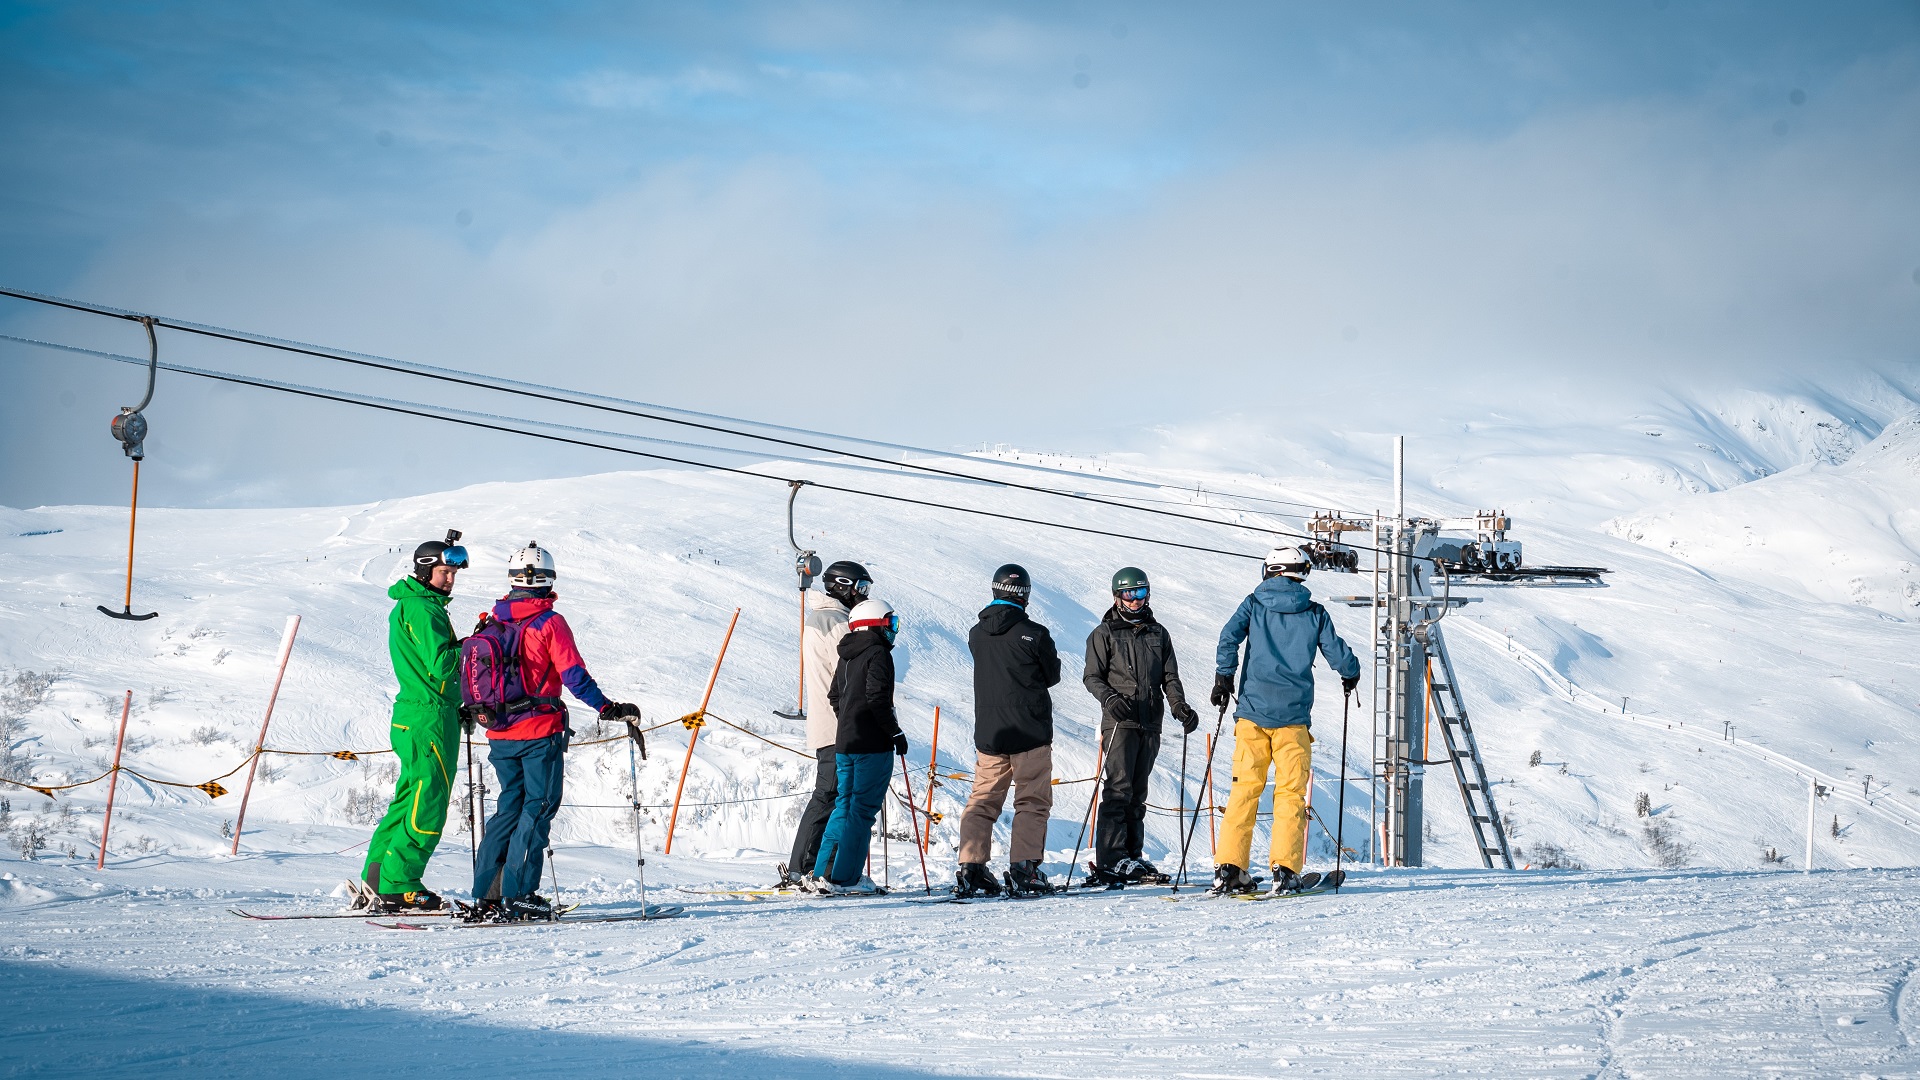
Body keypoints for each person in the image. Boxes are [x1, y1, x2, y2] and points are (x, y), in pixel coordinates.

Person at [470, 541, 641, 920]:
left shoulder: (491, 621)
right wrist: (607, 708)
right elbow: (573, 675)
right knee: (538, 808)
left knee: (508, 809)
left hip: (498, 733)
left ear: (513, 580)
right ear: (548, 580)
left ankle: (487, 894)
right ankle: (520, 894)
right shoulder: (550, 622)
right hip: (538, 731)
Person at [1209, 545, 1360, 896]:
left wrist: (1223, 676)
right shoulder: (1314, 612)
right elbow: (1339, 654)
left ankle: (1229, 867)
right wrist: (1350, 674)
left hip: (1251, 715)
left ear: (1270, 570)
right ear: (1301, 572)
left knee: (1245, 790)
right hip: (1293, 720)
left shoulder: (1253, 604)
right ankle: (1285, 870)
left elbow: (1228, 637)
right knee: (1290, 794)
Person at [358, 532, 469, 912]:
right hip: (430, 715)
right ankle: (400, 882)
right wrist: (477, 645)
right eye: (444, 572)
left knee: (409, 798)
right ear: (425, 570)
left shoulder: (409, 605)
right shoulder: (423, 609)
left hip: (413, 714)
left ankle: (376, 876)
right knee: (429, 801)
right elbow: (441, 664)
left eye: (453, 572)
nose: (450, 579)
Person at [1081, 566, 1198, 887]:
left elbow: (1169, 677)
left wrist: (1179, 706)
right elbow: (1092, 676)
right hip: (1120, 722)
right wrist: (1109, 699)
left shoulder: (1157, 633)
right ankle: (1111, 857)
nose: (1135, 600)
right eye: (1129, 594)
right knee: (1118, 788)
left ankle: (1132, 854)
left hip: (1150, 721)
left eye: (1141, 593)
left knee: (1138, 792)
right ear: (1117, 596)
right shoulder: (1103, 634)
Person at [956, 564, 1062, 898]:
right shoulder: (1035, 633)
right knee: (1031, 800)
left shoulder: (977, 633)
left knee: (983, 800)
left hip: (990, 732)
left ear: (994, 590)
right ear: (1025, 595)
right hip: (1029, 730)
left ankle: (971, 869)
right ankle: (1024, 870)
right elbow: (1052, 675)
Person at [777, 560, 871, 888]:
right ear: (842, 586)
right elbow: (848, 675)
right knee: (830, 794)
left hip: (831, 722)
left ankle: (815, 866)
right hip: (838, 725)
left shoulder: (823, 618)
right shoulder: (836, 622)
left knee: (833, 795)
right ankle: (801, 868)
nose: (864, 595)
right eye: (861, 588)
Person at [806, 598, 906, 894]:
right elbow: (877, 698)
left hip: (845, 743)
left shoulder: (846, 654)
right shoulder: (878, 653)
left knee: (843, 806)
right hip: (872, 745)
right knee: (860, 810)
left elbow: (835, 696)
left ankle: (826, 870)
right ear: (875, 623)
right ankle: (843, 877)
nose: (893, 629)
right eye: (890, 623)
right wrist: (895, 733)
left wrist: (849, 720)